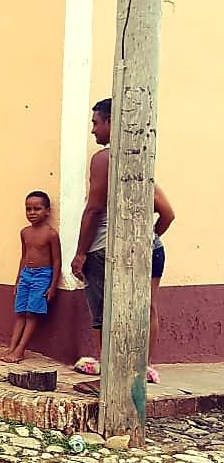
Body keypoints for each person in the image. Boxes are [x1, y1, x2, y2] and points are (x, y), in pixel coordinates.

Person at [70, 98, 175, 383]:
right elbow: (168, 213)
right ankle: (143, 367)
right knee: (147, 307)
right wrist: (148, 238)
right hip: (149, 248)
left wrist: (80, 253)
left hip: (105, 247)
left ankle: (108, 371)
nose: (93, 130)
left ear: (111, 122)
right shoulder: (139, 158)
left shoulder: (104, 159)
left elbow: (93, 209)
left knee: (104, 311)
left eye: (96, 122)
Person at [0, 191, 61, 363]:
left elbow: (57, 261)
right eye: (28, 209)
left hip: (42, 276)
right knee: (21, 312)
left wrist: (52, 286)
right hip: (26, 274)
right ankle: (11, 347)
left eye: (37, 209)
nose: (32, 213)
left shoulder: (51, 234)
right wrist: (18, 280)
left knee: (32, 314)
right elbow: (24, 257)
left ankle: (20, 350)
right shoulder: (24, 232)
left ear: (47, 211)